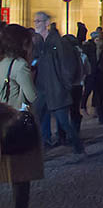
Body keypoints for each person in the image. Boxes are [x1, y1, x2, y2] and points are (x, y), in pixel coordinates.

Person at [0, 24, 44, 208]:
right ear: (22, 44)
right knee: (20, 179)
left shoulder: (1, 63)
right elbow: (31, 96)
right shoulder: (20, 66)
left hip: (1, 123)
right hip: (17, 125)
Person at [32, 15, 84, 154]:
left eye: (39, 21)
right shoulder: (40, 43)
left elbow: (67, 67)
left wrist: (65, 85)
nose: (36, 24)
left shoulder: (57, 43)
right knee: (36, 118)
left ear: (46, 23)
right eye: (35, 21)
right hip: (42, 89)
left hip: (55, 89)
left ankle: (78, 145)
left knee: (64, 122)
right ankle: (40, 147)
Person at [80, 30, 99, 114]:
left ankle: (94, 107)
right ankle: (83, 106)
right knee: (88, 90)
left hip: (96, 71)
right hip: (90, 71)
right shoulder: (88, 47)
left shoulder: (98, 46)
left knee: (96, 90)